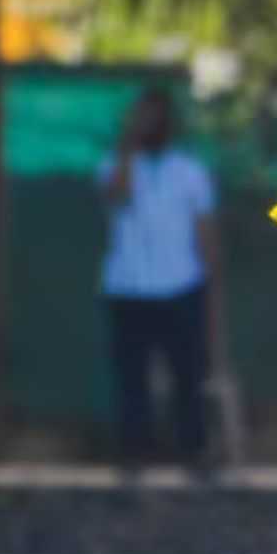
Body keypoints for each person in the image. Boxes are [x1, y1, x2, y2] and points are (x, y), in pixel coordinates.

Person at [98, 88, 223, 474]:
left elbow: (205, 234)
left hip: (180, 284)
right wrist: (125, 147)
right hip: (128, 288)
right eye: (141, 118)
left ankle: (194, 455)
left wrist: (212, 286)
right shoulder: (113, 166)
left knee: (187, 375)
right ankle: (134, 455)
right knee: (131, 379)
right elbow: (115, 196)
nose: (148, 126)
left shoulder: (191, 172)